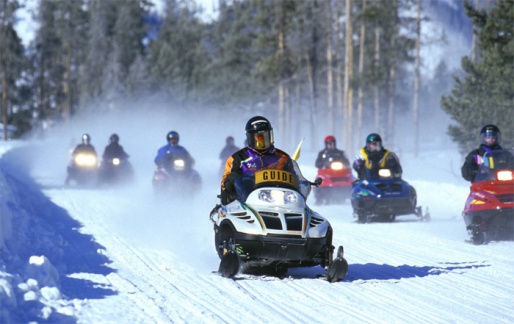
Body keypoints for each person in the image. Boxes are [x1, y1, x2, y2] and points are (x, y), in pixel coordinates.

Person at [220, 116, 295, 205]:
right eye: (259, 138)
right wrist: (230, 187)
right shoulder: (237, 158)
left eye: (265, 137)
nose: (262, 141)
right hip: (248, 202)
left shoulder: (283, 157)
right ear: (250, 138)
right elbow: (225, 183)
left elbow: (294, 179)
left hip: (279, 201)